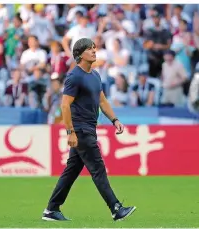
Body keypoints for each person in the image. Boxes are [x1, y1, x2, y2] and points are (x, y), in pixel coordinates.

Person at [42, 38, 136, 221]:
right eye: (89, 49)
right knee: (98, 169)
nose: (94, 51)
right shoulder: (74, 76)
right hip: (81, 129)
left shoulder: (95, 75)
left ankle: (51, 209)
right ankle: (116, 208)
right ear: (80, 54)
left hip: (89, 128)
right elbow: (65, 105)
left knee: (72, 171)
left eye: (94, 48)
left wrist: (115, 119)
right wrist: (70, 132)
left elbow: (102, 100)